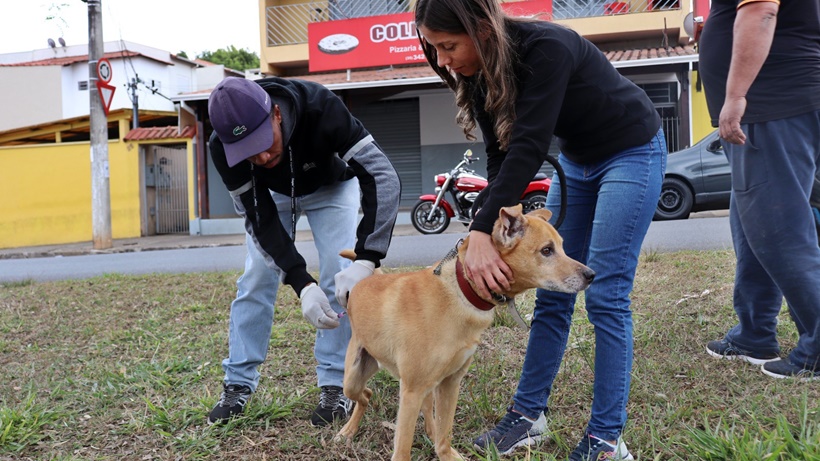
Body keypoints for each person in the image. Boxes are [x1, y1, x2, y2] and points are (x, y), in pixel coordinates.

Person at [414, 0, 666, 458]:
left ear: (482, 28)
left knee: (606, 295)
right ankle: (528, 416)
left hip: (632, 149)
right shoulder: (477, 74)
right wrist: (486, 228)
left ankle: (607, 440)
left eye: (449, 46)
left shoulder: (547, 48)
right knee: (552, 293)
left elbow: (528, 146)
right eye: (435, 49)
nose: (444, 60)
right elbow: (500, 158)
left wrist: (477, 233)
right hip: (578, 160)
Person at [205, 76, 401, 426]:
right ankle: (238, 383)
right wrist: (300, 283)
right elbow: (258, 218)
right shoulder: (220, 148)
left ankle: (334, 385)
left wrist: (368, 259)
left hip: (331, 187)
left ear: (276, 114)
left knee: (336, 277)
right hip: (273, 198)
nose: (263, 156)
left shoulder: (321, 107)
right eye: (249, 153)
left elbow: (382, 175)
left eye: (265, 141)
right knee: (254, 280)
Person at [700, 1, 820, 380]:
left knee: (779, 231)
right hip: (773, 104)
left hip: (769, 104)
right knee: (753, 227)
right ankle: (754, 332)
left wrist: (735, 97)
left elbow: (761, 12)